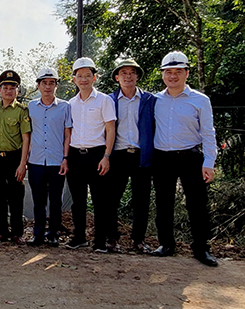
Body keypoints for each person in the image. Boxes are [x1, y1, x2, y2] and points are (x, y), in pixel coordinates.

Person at [151, 51, 218, 267]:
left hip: (190, 157)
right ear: (162, 75)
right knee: (163, 203)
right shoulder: (155, 100)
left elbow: (208, 133)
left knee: (197, 204)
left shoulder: (200, 100)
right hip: (162, 158)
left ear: (186, 73)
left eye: (178, 71)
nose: (173, 76)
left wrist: (209, 162)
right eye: (168, 72)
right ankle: (166, 244)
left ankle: (201, 248)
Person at [65, 58, 116, 252]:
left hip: (97, 155)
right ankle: (79, 237)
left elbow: (110, 130)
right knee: (78, 201)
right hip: (76, 155)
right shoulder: (70, 104)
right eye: (79, 76)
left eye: (87, 75)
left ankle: (100, 241)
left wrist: (107, 156)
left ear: (94, 77)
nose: (84, 79)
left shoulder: (104, 100)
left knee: (99, 200)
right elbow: (68, 132)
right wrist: (67, 158)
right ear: (74, 79)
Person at [109, 59, 156, 253]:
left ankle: (138, 240)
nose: (128, 76)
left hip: (141, 156)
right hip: (117, 155)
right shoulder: (109, 100)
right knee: (111, 199)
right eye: (124, 73)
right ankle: (112, 239)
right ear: (117, 77)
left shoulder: (149, 100)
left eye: (132, 72)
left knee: (141, 200)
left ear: (137, 76)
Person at [26, 68, 71, 247]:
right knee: (38, 201)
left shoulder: (65, 107)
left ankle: (53, 234)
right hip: (36, 161)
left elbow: (68, 134)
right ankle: (37, 234)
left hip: (56, 161)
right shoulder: (31, 107)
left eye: (51, 83)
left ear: (56, 86)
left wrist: (66, 158)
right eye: (44, 83)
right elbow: (27, 134)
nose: (48, 86)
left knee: (55, 200)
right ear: (38, 86)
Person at [0, 70, 31, 246]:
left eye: (12, 87)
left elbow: (26, 138)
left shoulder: (22, 111)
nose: (8, 90)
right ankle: (2, 231)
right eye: (5, 87)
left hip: (15, 158)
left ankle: (17, 233)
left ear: (17, 91)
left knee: (16, 196)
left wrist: (23, 163)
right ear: (0, 90)